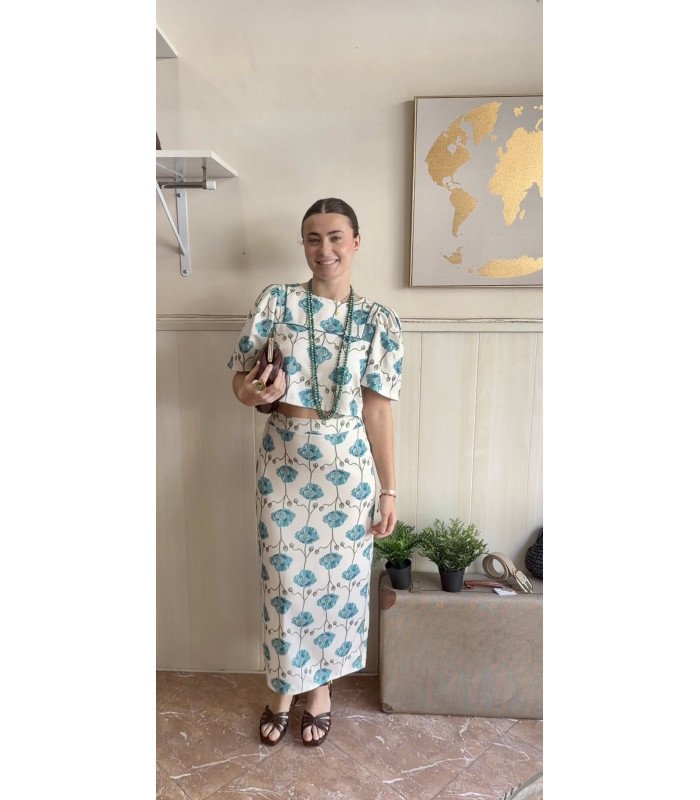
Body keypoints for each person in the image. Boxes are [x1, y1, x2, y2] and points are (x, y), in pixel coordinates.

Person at [228, 198, 404, 747]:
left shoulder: (378, 321)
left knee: (335, 589)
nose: (323, 249)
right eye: (312, 238)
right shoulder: (276, 301)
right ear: (303, 244)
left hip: (347, 476)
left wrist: (389, 488)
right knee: (284, 587)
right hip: (282, 467)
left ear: (356, 242)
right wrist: (251, 393)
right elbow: (239, 382)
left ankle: (320, 691)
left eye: (334, 237)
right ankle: (283, 688)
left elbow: (378, 410)